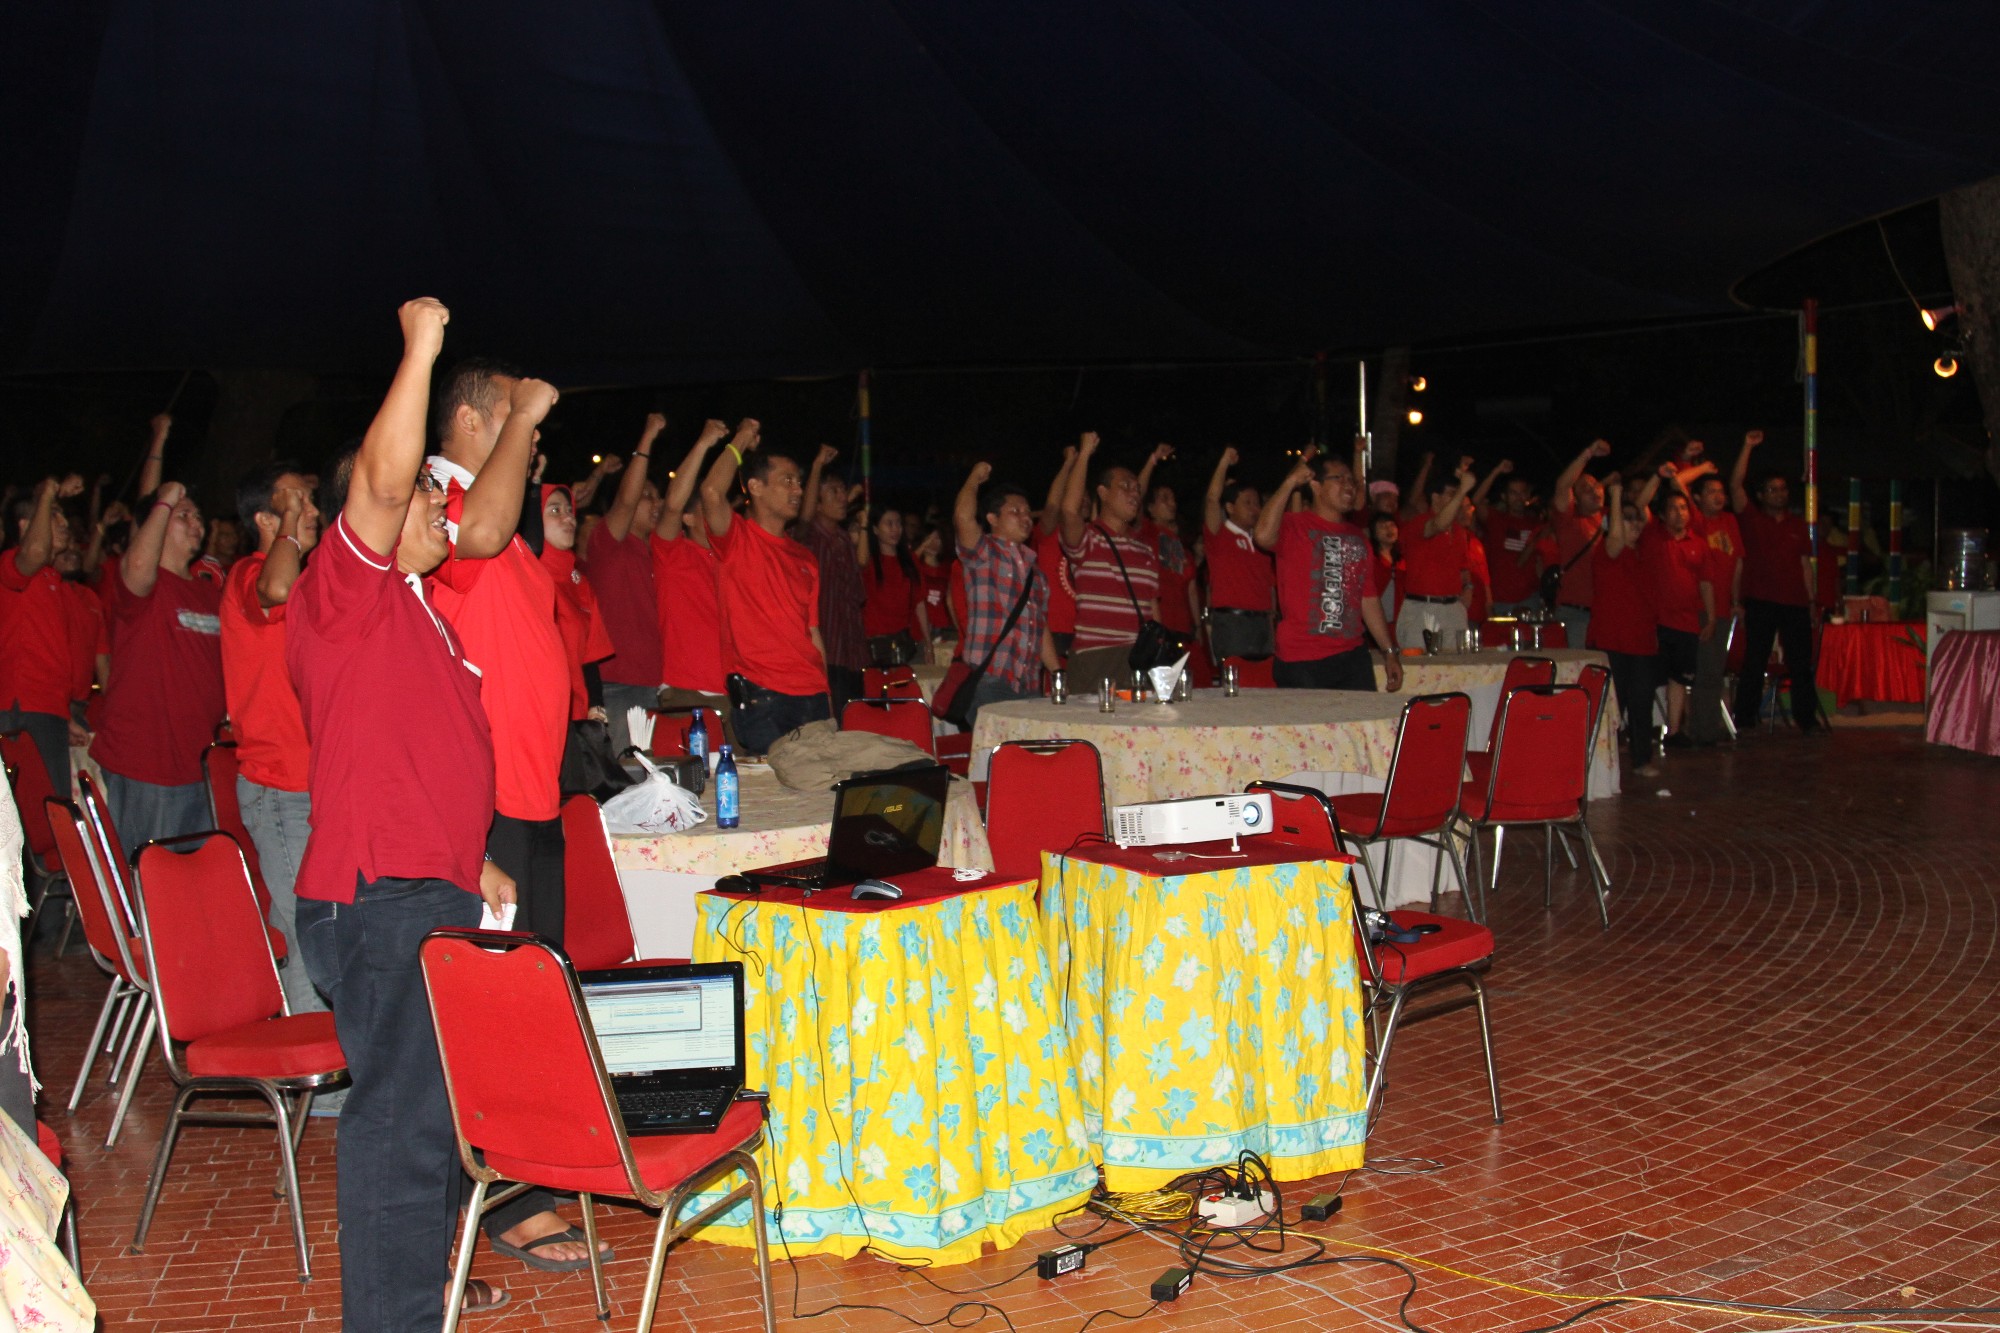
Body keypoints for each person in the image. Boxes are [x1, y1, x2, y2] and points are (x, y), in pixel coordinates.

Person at [287, 298, 518, 1328]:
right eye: (431, 489)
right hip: (380, 897)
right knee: (397, 1127)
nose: (442, 504)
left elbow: (418, 761)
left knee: (427, 1120)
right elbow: (380, 485)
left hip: (426, 886)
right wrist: (421, 348)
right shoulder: (346, 590)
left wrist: (473, 860)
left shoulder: (422, 614)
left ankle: (416, 1299)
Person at [425, 360, 603, 1275]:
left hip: (533, 793)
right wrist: (530, 410)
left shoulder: (505, 522)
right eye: (511, 415)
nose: (531, 434)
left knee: (537, 997)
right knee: (495, 1005)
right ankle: (504, 1202)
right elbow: (482, 535)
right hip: (487, 798)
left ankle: (528, 1176)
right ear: (467, 420)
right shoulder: (438, 503)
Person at [220, 462, 327, 1024]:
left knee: (328, 927)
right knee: (307, 931)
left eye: (309, 502)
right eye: (295, 502)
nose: (311, 511)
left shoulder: (309, 585)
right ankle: (320, 1068)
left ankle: (331, 1055)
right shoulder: (249, 574)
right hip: (282, 788)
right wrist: (289, 518)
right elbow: (274, 589)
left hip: (318, 784)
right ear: (265, 518)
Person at [92, 473, 225, 856]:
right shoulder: (143, 587)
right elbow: (137, 560)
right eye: (184, 515)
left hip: (199, 762)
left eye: (198, 516)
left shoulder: (207, 592)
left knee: (194, 879)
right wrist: (165, 498)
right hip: (149, 764)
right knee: (150, 879)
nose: (196, 523)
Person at [700, 429, 830, 754]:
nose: (798, 489)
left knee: (820, 784)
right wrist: (742, 439)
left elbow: (813, 630)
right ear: (755, 487)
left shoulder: (804, 557)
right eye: (787, 481)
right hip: (763, 696)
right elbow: (712, 491)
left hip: (811, 693)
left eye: (799, 482)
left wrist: (827, 693)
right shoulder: (736, 539)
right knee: (774, 785)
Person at [1255, 452, 1402, 692]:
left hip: (1353, 656)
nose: (1349, 485)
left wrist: (1389, 651)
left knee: (1361, 718)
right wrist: (1290, 482)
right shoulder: (1294, 526)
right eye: (1339, 478)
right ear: (1316, 485)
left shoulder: (1358, 538)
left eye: (1351, 480)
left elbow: (1368, 598)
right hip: (1303, 659)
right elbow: (1262, 536)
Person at [580, 413, 666, 756]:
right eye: (648, 496)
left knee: (653, 775)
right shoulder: (608, 542)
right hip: (617, 683)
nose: (656, 504)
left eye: (657, 497)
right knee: (626, 773)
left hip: (652, 683)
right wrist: (647, 438)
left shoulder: (655, 552)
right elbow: (626, 501)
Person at [950, 463, 1060, 722]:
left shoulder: (1036, 574)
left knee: (1026, 748)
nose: (1026, 517)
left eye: (1027, 512)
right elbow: (963, 517)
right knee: (995, 748)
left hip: (1029, 683)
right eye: (1015, 511)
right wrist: (974, 479)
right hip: (991, 680)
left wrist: (1057, 672)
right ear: (992, 518)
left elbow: (1039, 627)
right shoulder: (983, 553)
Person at [1, 475, 87, 801]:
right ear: (26, 526)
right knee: (33, 812)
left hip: (46, 710)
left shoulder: (52, 579)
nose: (65, 524)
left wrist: (62, 715)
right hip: (21, 708)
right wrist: (48, 491)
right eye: (54, 516)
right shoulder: (12, 564)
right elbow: (35, 550)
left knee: (52, 811)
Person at [1729, 429, 1819, 732]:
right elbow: (1735, 485)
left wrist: (1811, 601)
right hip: (1761, 599)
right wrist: (1747, 447)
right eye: (1772, 490)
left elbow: (1805, 565)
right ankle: (1745, 718)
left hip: (1795, 602)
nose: (1779, 494)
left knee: (1800, 663)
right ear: (1761, 495)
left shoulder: (1797, 525)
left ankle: (1805, 719)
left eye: (1782, 489)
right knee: (1755, 661)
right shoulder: (1752, 519)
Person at [651, 420, 737, 733]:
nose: (717, 514)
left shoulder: (730, 560)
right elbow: (672, 505)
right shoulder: (673, 555)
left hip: (735, 695)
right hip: (688, 695)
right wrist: (703, 444)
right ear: (688, 518)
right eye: (706, 510)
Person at [1058, 435, 1164, 688]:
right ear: (1103, 493)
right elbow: (1069, 511)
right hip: (1097, 656)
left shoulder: (1145, 550)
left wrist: (1160, 652)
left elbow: (1152, 608)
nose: (1134, 493)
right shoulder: (1088, 540)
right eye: (1125, 486)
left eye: (1137, 489)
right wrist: (1084, 454)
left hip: (1140, 658)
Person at [1588, 475, 1662, 777]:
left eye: (1637, 520)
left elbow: (1641, 514)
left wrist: (1656, 479)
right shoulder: (1607, 551)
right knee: (1611, 704)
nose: (1635, 524)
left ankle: (1642, 759)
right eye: (1627, 519)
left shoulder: (1644, 552)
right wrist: (1616, 496)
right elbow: (1616, 537)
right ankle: (1601, 763)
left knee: (1641, 703)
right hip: (1612, 640)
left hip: (1642, 641)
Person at [793, 445, 869, 709]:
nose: (842, 498)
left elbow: (857, 593)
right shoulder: (808, 539)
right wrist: (817, 466)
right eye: (833, 492)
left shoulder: (844, 539)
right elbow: (803, 518)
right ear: (816, 502)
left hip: (853, 650)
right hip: (827, 649)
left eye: (842, 491)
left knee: (858, 717)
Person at [1640, 478, 1714, 747]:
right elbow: (1640, 505)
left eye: (1683, 508)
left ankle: (1673, 732)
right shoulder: (1652, 537)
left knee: (1679, 678)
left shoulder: (1699, 544)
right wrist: (1659, 477)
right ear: (1662, 514)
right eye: (1673, 508)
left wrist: (1711, 617)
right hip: (1656, 621)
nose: (1679, 513)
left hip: (1686, 622)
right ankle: (1641, 729)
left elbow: (1706, 583)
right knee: (1647, 677)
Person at [539, 484, 617, 728]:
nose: (568, 518)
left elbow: (589, 655)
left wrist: (596, 706)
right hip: (542, 714)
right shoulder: (525, 577)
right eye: (555, 510)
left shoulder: (579, 583)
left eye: (569, 510)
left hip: (578, 716)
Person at [1200, 447, 1275, 663]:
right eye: (1247, 503)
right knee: (1236, 680)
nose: (1255, 509)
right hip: (1233, 623)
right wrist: (1224, 462)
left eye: (1257, 503)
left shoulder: (1262, 541)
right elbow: (1212, 499)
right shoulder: (1220, 535)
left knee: (1264, 680)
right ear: (1230, 507)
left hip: (1262, 623)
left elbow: (1270, 588)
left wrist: (1271, 623)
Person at [1394, 459, 1476, 649]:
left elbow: (1463, 567)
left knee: (1456, 663)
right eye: (1451, 494)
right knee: (1420, 663)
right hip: (1422, 607)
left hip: (1453, 607)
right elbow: (1438, 525)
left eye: (1458, 495)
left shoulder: (1459, 531)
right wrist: (1463, 489)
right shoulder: (1418, 523)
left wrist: (1468, 587)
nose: (1458, 500)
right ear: (1435, 497)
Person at [1548, 438, 1613, 650]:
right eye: (1586, 489)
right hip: (1575, 612)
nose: (1595, 491)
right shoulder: (1569, 519)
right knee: (1580, 666)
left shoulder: (1609, 518)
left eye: (1597, 486)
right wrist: (1588, 453)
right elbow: (1562, 484)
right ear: (1574, 498)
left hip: (1605, 612)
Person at [859, 502, 925, 666]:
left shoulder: (910, 560)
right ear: (875, 529)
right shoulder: (869, 562)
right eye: (889, 524)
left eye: (898, 523)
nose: (895, 529)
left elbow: (919, 603)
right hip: (877, 643)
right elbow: (860, 562)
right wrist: (863, 527)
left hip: (909, 640)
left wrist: (928, 644)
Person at [1138, 472, 1199, 639]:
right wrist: (1151, 463)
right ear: (1150, 508)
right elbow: (1138, 496)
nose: (1172, 504)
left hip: (1182, 624)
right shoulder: (1146, 532)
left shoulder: (1179, 546)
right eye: (1165, 499)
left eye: (1173, 499)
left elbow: (1190, 589)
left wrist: (1197, 626)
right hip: (1157, 622)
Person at [1034, 445, 1081, 658]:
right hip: (1055, 631)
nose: (1081, 503)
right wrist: (1068, 464)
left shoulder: (1093, 537)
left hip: (1087, 632)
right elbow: (1052, 506)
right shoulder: (1049, 534)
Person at [1479, 463, 1541, 615]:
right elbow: (1477, 500)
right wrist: (1496, 471)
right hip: (1501, 599)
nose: (1518, 498)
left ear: (1528, 496)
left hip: (1530, 598)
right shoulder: (1496, 519)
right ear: (1504, 497)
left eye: (1522, 493)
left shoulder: (1537, 524)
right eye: (1513, 493)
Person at [1366, 511, 1401, 624]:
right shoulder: (1370, 560)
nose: (1389, 529)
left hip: (1401, 620)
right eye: (1383, 526)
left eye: (1392, 525)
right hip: (1376, 620)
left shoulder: (1403, 558)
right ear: (1374, 533)